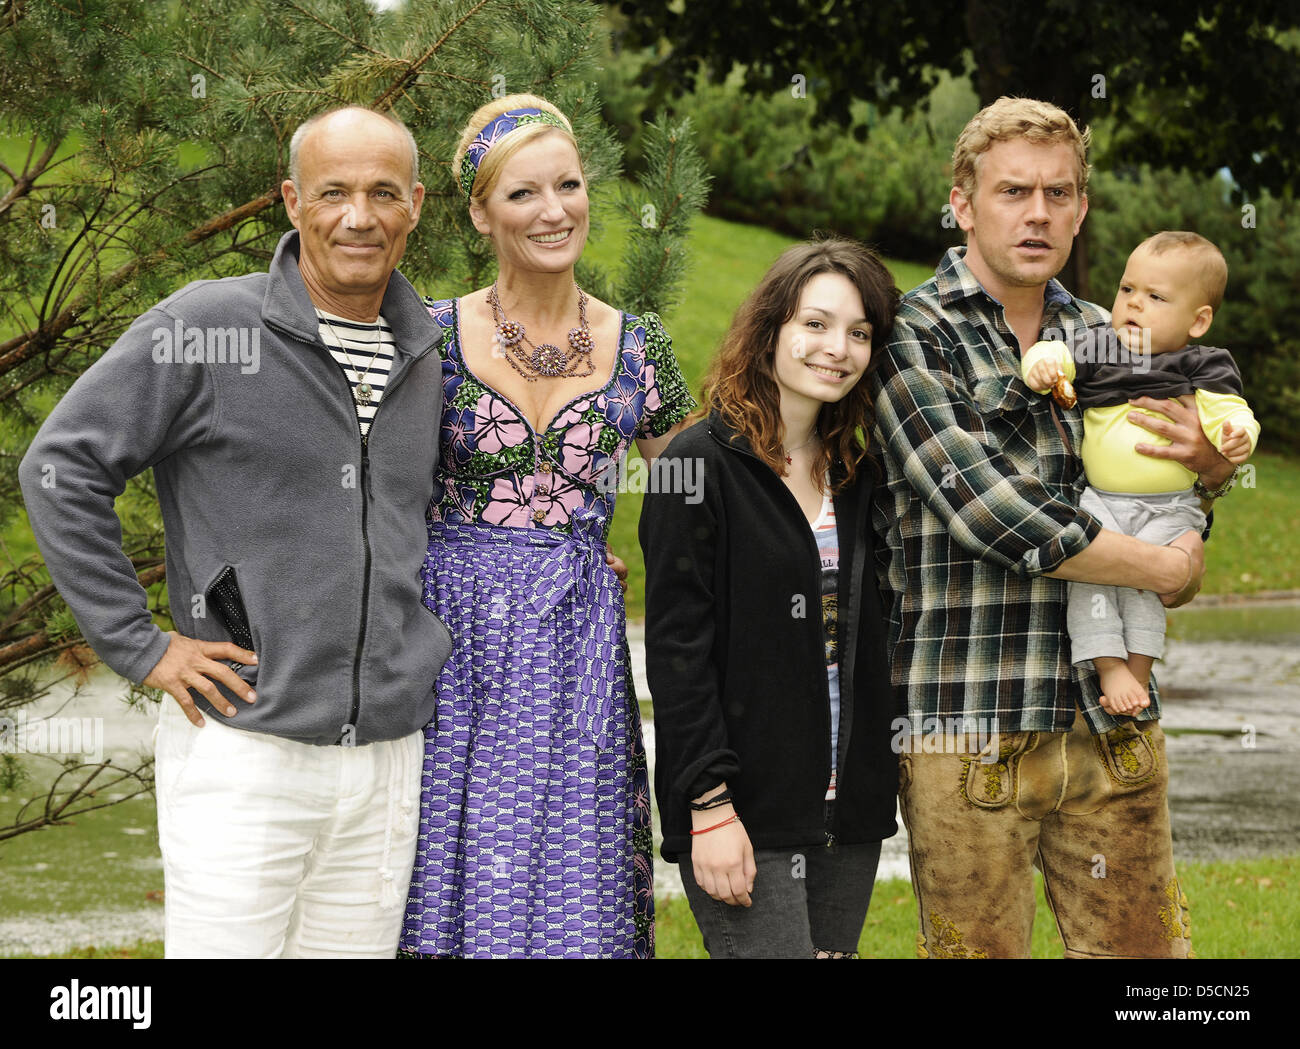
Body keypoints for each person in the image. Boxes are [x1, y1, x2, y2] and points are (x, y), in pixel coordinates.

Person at [17, 107, 450, 957]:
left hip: (389, 763)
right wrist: (140, 645)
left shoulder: (427, 350)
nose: (357, 216)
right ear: (291, 201)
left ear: (416, 206)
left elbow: (415, 519)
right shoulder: (211, 325)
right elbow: (59, 468)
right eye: (333, 192)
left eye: (382, 193)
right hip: (245, 749)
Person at [871, 96, 1240, 959]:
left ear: (1080, 209)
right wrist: (1162, 569)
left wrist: (1211, 476)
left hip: (1113, 725)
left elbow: (1162, 486)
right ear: (963, 204)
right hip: (968, 725)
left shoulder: (1114, 338)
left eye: (1059, 193)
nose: (1038, 212)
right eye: (1012, 192)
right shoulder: (910, 336)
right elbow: (987, 511)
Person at [398, 95, 694, 958]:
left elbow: (693, 495)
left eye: (568, 184)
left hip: (576, 635)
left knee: (578, 877)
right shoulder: (429, 334)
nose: (554, 209)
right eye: (523, 193)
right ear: (480, 211)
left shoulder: (639, 347)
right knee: (443, 875)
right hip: (446, 635)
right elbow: (371, 484)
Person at [639, 237, 901, 959]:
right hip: (742, 808)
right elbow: (677, 652)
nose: (836, 348)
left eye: (858, 332)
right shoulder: (693, 464)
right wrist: (709, 805)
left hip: (847, 811)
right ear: (771, 330)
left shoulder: (861, 470)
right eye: (815, 324)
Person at [1022, 231, 1260, 714]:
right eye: (1128, 289)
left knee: (1146, 584)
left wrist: (1238, 433)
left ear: (1198, 321)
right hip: (1102, 500)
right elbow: (1053, 354)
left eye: (1155, 297)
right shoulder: (1098, 347)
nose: (1134, 304)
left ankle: (1140, 666)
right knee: (1092, 577)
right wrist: (1043, 366)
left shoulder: (1202, 364)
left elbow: (1228, 411)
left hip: (1170, 505)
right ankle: (1109, 664)